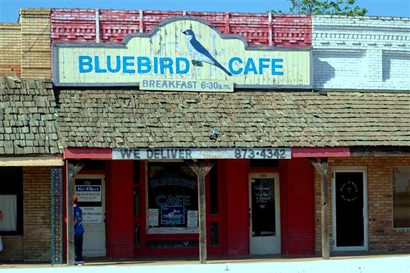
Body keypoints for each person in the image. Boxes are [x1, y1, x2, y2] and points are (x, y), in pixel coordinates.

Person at [73, 196, 85, 264]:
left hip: (75, 231)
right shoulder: (79, 209)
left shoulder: (71, 209)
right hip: (80, 229)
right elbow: (80, 218)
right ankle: (80, 258)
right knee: (79, 245)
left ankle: (78, 259)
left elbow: (73, 220)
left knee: (76, 246)